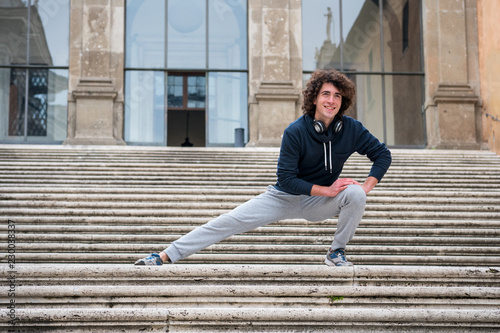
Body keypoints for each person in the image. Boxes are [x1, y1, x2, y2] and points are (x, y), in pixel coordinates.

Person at [134, 69, 391, 267]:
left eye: (337, 95)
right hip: (283, 197)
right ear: (314, 98)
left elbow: (382, 155)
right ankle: (165, 256)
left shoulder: (352, 129)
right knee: (228, 221)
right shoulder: (296, 132)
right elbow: (287, 179)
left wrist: (366, 186)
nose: (331, 100)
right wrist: (327, 189)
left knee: (355, 194)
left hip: (318, 203)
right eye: (326, 94)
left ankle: (336, 252)